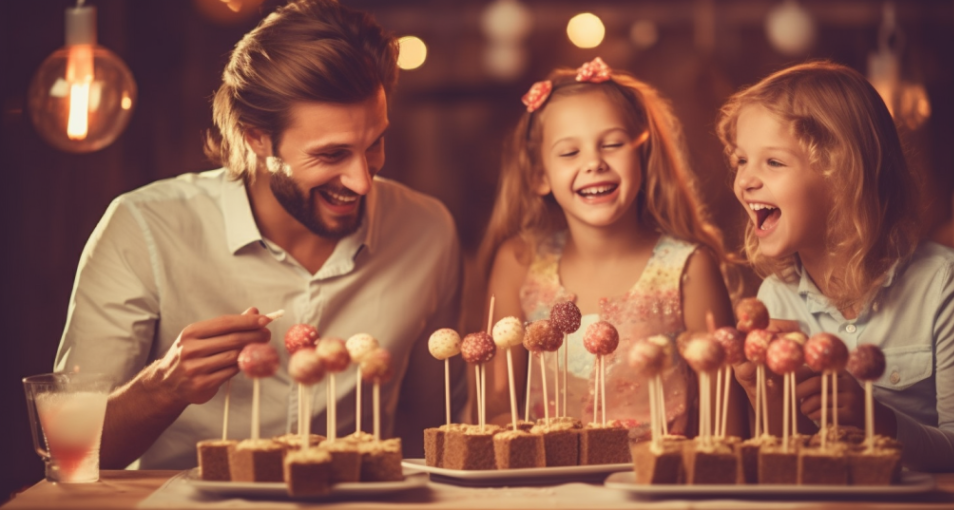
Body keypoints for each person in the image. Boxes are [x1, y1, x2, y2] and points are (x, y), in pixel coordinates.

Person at [54, 0, 463, 470]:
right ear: (257, 139)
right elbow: (69, 452)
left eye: (373, 145)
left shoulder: (428, 230)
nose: (362, 181)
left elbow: (438, 428)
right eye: (331, 155)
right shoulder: (144, 228)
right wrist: (164, 387)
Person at [718, 60, 954, 471]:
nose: (745, 180)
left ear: (843, 175)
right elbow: (793, 460)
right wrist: (760, 390)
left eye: (774, 163)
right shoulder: (775, 297)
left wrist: (876, 421)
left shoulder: (943, 281)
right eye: (740, 161)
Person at [478, 58, 744, 438]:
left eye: (613, 144)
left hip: (660, 490)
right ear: (540, 175)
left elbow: (726, 429)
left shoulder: (690, 268)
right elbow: (495, 408)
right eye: (570, 153)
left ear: (643, 156)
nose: (593, 163)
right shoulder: (518, 262)